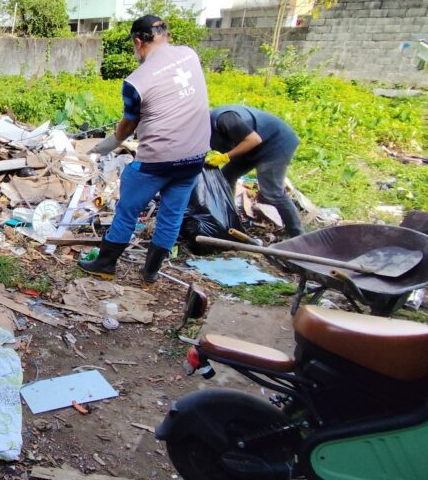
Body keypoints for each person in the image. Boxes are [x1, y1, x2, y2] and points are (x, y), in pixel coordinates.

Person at [79, 15, 211, 283]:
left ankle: (105, 263)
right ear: (166, 34)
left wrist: (108, 144)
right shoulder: (189, 55)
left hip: (158, 160)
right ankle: (150, 271)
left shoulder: (136, 81)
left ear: (138, 41)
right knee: (172, 214)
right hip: (196, 156)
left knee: (128, 208)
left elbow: (128, 125)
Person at [207, 104, 304, 237]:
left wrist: (225, 157)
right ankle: (230, 220)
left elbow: (253, 140)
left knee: (272, 192)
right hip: (250, 148)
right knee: (225, 177)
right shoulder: (204, 130)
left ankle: (298, 234)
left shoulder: (225, 118)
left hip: (274, 143)